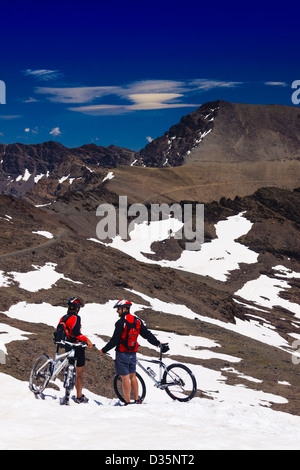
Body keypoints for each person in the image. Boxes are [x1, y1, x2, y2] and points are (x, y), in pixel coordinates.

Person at [99, 299, 168, 405]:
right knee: (133, 376)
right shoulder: (137, 321)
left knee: (125, 378)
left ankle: (127, 402)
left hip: (122, 353)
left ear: (125, 309)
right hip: (133, 353)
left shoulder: (120, 323)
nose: (117, 311)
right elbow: (147, 335)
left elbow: (114, 340)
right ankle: (137, 399)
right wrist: (157, 343)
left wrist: (103, 350)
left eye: (119, 309)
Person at [58, 297, 93, 404]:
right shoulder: (76, 318)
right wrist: (87, 340)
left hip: (67, 345)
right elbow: (76, 332)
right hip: (76, 346)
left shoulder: (64, 317)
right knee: (79, 373)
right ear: (77, 308)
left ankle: (67, 391)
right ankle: (79, 396)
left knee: (70, 368)